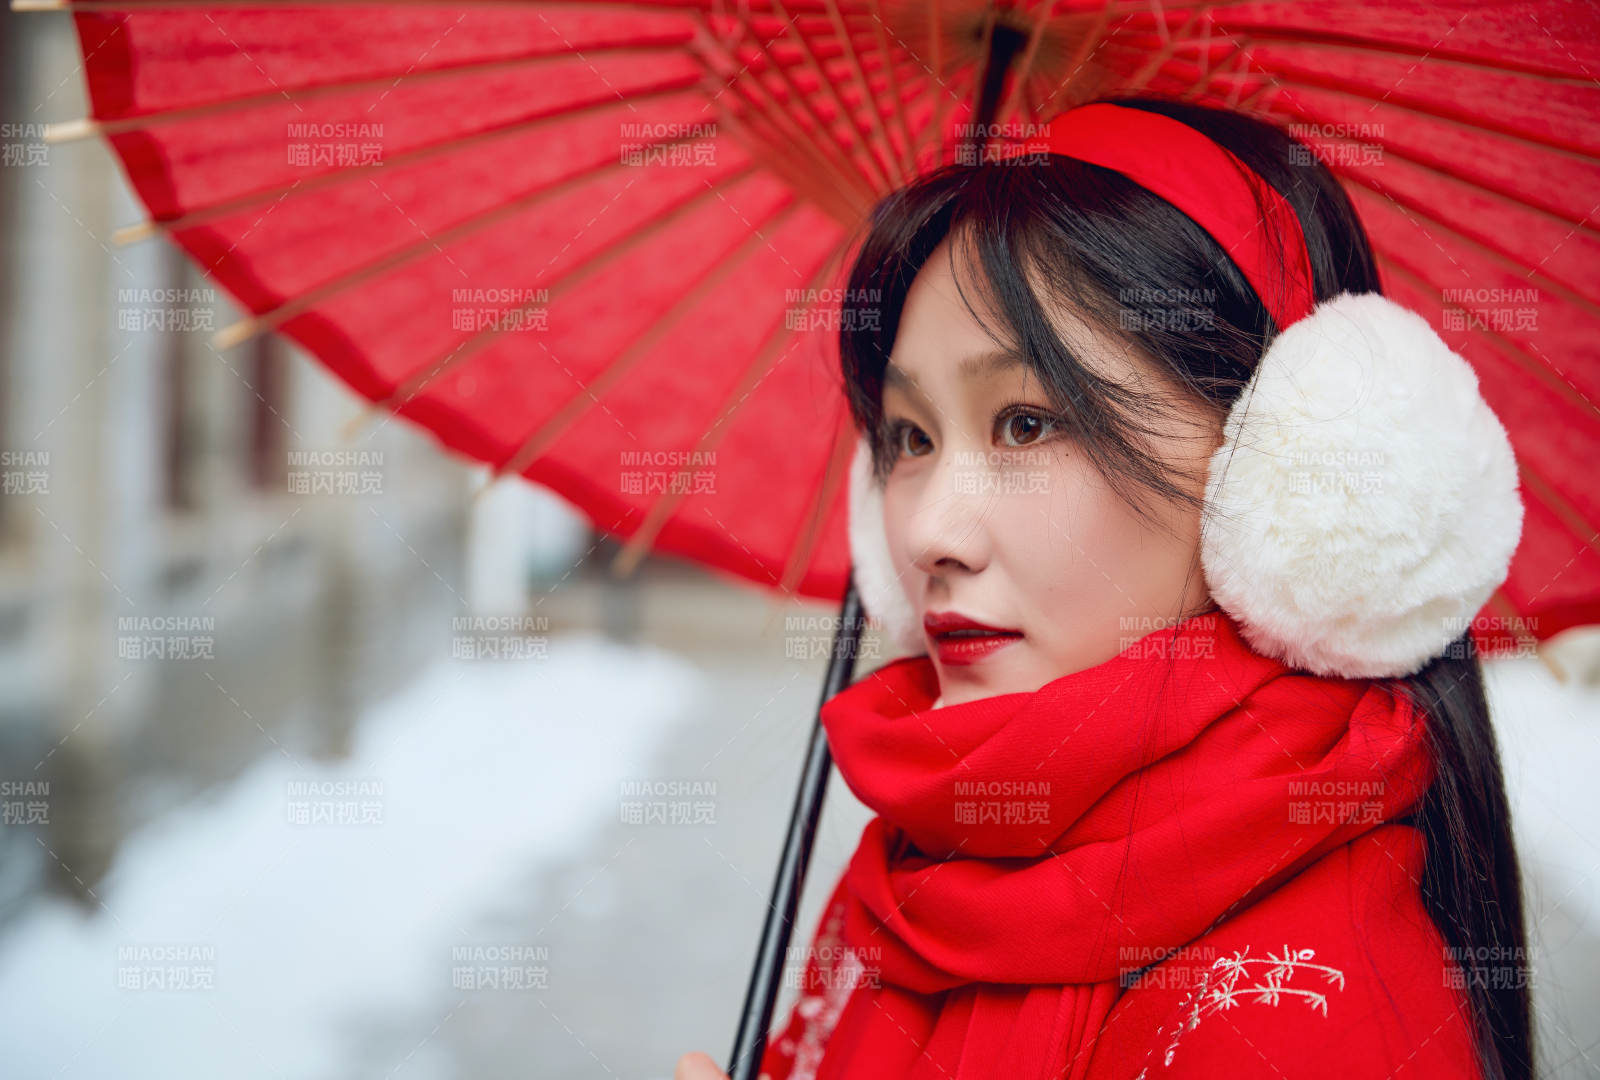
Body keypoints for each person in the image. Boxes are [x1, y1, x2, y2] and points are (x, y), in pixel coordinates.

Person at [678, 94, 1532, 1080]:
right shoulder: (911, 874)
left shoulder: (1306, 1015)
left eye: (1028, 424)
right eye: (909, 437)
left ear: (1278, 477)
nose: (925, 533)